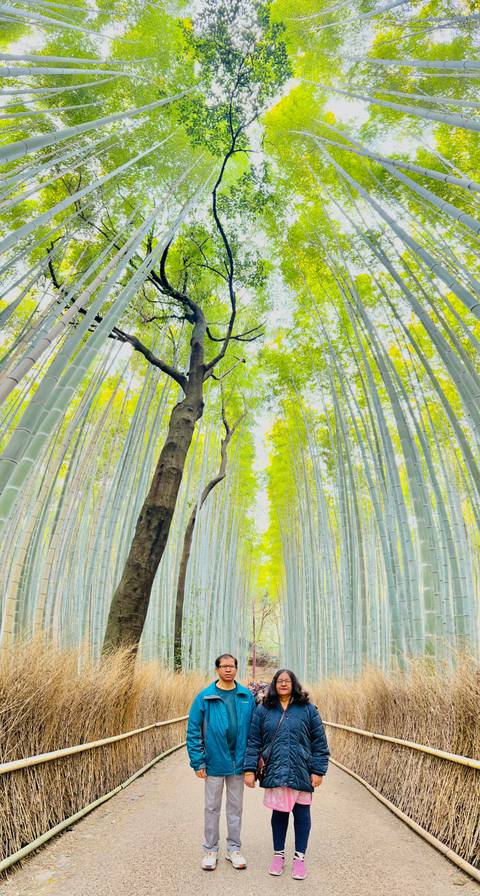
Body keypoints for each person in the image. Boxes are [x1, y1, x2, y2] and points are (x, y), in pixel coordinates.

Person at [243, 669, 329, 880]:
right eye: (279, 681)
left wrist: (318, 770)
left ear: (294, 684)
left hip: (301, 768)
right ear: (274, 684)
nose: (283, 684)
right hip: (276, 769)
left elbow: (319, 741)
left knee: (302, 814)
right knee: (279, 813)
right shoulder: (264, 709)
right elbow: (254, 741)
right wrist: (249, 769)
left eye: (287, 681)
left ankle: (299, 858)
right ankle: (278, 855)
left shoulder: (307, 709)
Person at [186, 653, 256, 871]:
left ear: (236, 669)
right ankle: (210, 849)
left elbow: (255, 732)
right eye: (223, 666)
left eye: (231, 666)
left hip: (239, 762)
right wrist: (198, 762)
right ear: (217, 669)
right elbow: (193, 731)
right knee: (211, 808)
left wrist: (252, 765)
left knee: (235, 808)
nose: (228, 669)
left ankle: (234, 849)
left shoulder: (246, 696)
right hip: (214, 762)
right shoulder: (205, 697)